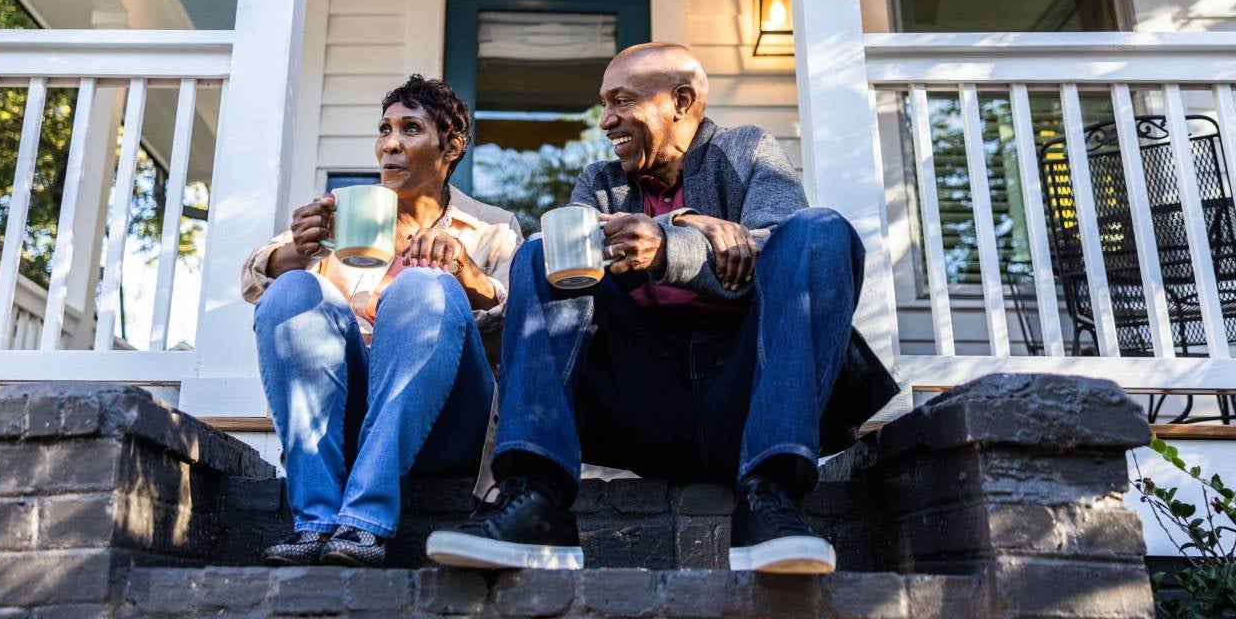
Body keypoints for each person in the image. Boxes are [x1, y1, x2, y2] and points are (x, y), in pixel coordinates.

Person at [425, 43, 896, 573]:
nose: (606, 120)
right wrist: (695, 223)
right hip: (642, 404)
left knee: (821, 229)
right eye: (604, 104)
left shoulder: (747, 152)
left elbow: (784, 255)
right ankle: (535, 502)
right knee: (542, 252)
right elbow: (574, 269)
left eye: (621, 101)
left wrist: (668, 249)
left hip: (745, 405)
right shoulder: (602, 183)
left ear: (682, 101)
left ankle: (770, 500)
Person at [242, 75, 522, 567]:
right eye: (384, 129)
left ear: (451, 145)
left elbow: (519, 331)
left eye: (410, 129)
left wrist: (463, 271)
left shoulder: (493, 229)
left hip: (448, 425)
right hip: (346, 420)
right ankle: (315, 521)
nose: (390, 144)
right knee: (293, 290)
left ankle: (364, 520)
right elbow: (257, 284)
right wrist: (295, 251)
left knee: (423, 285)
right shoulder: (341, 219)